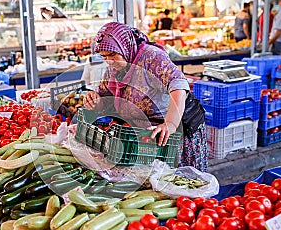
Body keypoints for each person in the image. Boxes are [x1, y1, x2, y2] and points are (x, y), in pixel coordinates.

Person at [83, 22, 208, 172]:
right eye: (104, 57)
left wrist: (170, 124)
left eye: (112, 55)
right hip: (144, 134)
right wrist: (94, 101)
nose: (109, 61)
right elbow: (105, 97)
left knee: (180, 182)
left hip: (174, 131)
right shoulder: (113, 69)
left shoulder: (151, 57)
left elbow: (179, 85)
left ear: (124, 46)